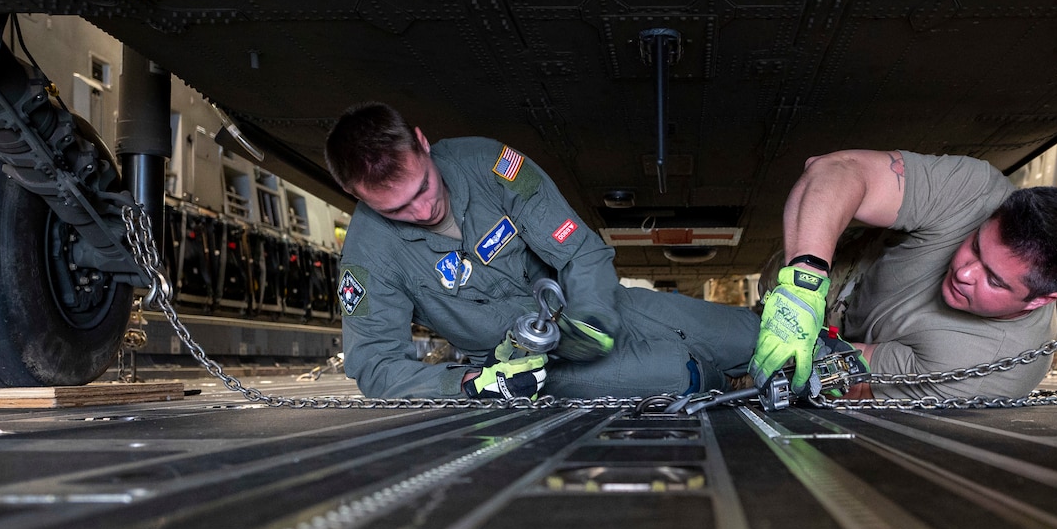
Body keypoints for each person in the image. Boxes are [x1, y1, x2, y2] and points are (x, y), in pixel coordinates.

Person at [324, 103, 758, 399]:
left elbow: (580, 253)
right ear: (354, 194)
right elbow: (375, 365)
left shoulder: (489, 164)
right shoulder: (369, 255)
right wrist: (471, 383)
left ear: (422, 142)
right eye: (397, 208)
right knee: (680, 374)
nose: (423, 210)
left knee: (754, 339)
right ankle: (723, 381)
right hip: (523, 368)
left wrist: (592, 321)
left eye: (423, 186)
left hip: (596, 309)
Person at [752, 149, 1057, 401]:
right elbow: (833, 169)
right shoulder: (978, 192)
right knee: (778, 272)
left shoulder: (989, 368)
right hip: (848, 270)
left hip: (851, 335)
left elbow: (847, 381)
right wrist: (803, 285)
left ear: (1039, 300)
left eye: (993, 280)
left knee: (771, 359)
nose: (964, 272)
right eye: (976, 246)